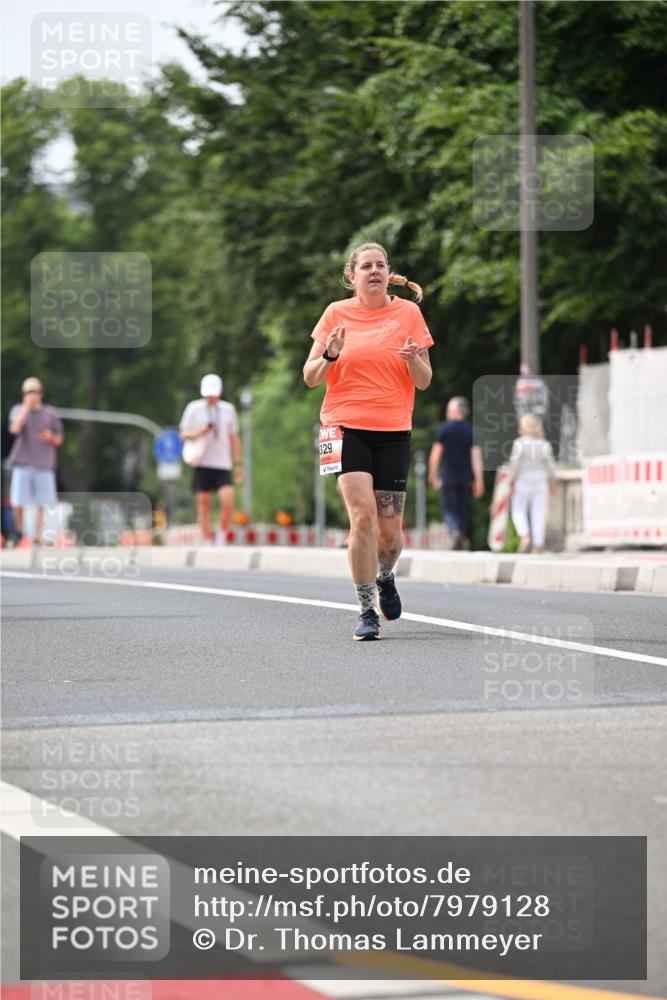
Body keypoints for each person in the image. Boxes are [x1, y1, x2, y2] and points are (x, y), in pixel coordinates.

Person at [303, 242, 433, 640]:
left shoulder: (408, 313)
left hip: (394, 429)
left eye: (380, 265)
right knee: (361, 516)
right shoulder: (335, 314)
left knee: (390, 532)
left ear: (387, 272)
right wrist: (331, 355)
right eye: (366, 266)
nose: (373, 271)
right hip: (340, 426)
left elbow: (425, 381)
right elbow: (310, 377)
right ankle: (365, 609)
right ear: (352, 274)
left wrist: (413, 359)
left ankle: (384, 576)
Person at [179, 374, 243, 544]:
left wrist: (238, 465)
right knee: (204, 504)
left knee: (228, 501)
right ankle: (207, 538)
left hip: (223, 463)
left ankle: (222, 534)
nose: (211, 397)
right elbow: (183, 434)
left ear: (220, 392)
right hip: (201, 462)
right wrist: (200, 431)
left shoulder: (228, 409)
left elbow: (234, 437)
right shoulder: (194, 408)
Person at [8, 377, 64, 544]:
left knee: (43, 502)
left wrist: (50, 437)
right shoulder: (17, 410)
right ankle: (19, 531)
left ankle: (38, 535)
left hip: (44, 464)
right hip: (23, 463)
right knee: (18, 500)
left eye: (35, 392)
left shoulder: (51, 414)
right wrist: (26, 407)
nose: (32, 395)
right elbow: (14, 429)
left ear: (41, 393)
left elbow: (60, 439)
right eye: (28, 392)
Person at [428, 397, 484, 549]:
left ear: (455, 411)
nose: (446, 413)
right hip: (465, 477)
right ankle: (462, 535)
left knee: (450, 507)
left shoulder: (445, 429)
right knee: (463, 506)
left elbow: (436, 454)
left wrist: (433, 475)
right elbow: (476, 457)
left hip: (448, 475)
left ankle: (454, 531)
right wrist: (479, 480)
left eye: (448, 410)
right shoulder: (470, 430)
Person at [507, 413, 557, 554]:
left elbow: (514, 465)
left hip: (523, 481)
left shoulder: (519, 443)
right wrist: (552, 482)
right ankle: (538, 544)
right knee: (538, 513)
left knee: (518, 510)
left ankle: (525, 535)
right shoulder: (544, 444)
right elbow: (550, 466)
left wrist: (511, 481)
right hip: (540, 483)